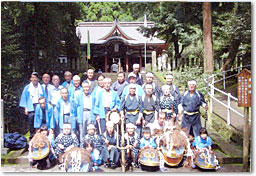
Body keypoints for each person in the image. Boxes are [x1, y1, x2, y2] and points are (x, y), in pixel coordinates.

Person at [19, 72, 47, 140]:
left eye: (35, 77)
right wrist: (25, 108)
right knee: (31, 121)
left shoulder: (41, 87)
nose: (34, 79)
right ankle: (31, 136)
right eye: (33, 77)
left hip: (39, 105)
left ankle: (41, 135)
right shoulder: (27, 87)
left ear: (38, 79)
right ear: (30, 78)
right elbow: (24, 98)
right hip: (31, 106)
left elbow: (44, 97)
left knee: (40, 120)